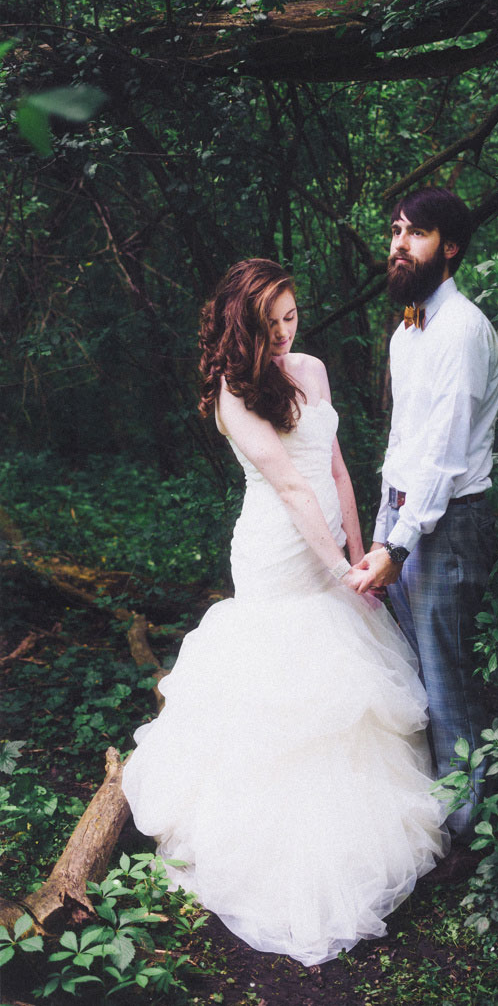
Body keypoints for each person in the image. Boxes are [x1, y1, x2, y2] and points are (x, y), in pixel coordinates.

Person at [121, 258, 447, 967]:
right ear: (242, 325)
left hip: (334, 547)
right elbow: (292, 486)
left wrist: (366, 556)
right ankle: (274, 842)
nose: (283, 333)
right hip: (277, 553)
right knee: (286, 677)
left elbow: (332, 471)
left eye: (291, 318)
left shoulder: (315, 369)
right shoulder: (232, 396)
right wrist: (337, 569)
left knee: (351, 667)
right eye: (269, 323)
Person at [356, 187, 498, 847]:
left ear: (449, 247)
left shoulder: (464, 330)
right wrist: (383, 523)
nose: (397, 245)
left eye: (414, 234)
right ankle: (425, 819)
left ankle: (468, 834)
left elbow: (444, 456)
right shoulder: (409, 328)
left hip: (446, 526)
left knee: (444, 681)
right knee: (408, 673)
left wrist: (401, 543)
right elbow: (405, 444)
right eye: (394, 231)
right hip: (405, 516)